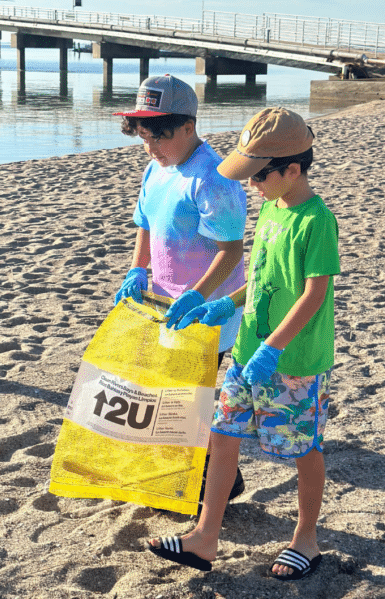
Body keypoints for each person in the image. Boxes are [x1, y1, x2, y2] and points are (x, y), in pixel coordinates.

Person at [145, 107, 340, 581]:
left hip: (293, 359)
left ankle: (306, 539)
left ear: (293, 169)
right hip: (249, 350)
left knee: (302, 447)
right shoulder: (273, 208)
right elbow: (260, 278)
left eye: (259, 176)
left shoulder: (316, 221)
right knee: (223, 431)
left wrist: (274, 347)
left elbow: (314, 293)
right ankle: (205, 536)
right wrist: (226, 305)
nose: (251, 185)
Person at [113, 74, 248, 501]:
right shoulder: (157, 168)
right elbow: (146, 225)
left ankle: (214, 483)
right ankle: (210, 476)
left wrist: (198, 296)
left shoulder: (213, 178)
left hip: (206, 311)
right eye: (143, 137)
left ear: (188, 126)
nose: (150, 147)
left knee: (189, 400)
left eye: (158, 137)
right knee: (170, 395)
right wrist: (137, 270)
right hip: (163, 303)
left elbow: (230, 251)